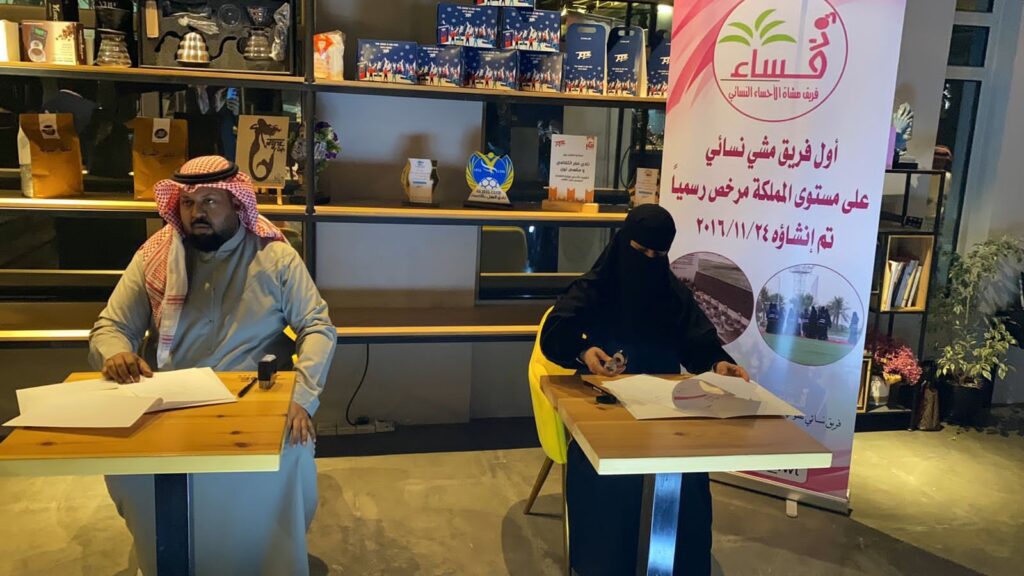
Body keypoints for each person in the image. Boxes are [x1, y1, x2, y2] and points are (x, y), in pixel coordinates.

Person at [89, 156, 336, 575]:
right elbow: (111, 326)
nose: (196, 213)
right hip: (171, 398)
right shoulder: (156, 256)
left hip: (257, 399)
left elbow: (317, 326)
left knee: (291, 449)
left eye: (209, 202)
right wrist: (115, 353)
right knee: (127, 463)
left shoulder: (274, 256)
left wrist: (303, 396)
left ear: (237, 203)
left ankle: (270, 563)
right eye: (187, 203)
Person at [540, 204, 750, 576]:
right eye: (641, 251)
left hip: (664, 409)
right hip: (606, 407)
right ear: (624, 243)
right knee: (607, 480)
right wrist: (586, 352)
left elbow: (696, 341)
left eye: (658, 255)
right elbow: (555, 334)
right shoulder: (596, 287)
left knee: (687, 479)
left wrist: (719, 363)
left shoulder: (670, 293)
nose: (649, 260)